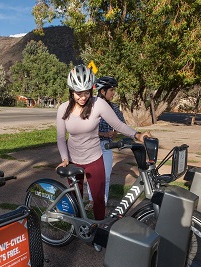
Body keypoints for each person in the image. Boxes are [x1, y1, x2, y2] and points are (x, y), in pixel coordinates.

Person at [56, 65, 150, 225]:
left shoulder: (98, 104)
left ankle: (98, 229)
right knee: (75, 196)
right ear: (71, 91)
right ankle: (77, 226)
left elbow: (119, 125)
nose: (83, 97)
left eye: (86, 92)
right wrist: (65, 159)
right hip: (73, 159)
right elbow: (60, 137)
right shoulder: (63, 109)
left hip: (94, 158)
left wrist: (137, 135)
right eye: (79, 93)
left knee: (99, 198)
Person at [85, 76, 124, 211]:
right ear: (103, 91)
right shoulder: (91, 106)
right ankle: (91, 200)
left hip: (107, 146)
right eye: (111, 90)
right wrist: (103, 134)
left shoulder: (114, 107)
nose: (113, 93)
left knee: (106, 176)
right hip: (93, 146)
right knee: (92, 175)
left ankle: (103, 201)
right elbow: (85, 129)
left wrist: (115, 132)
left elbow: (121, 124)